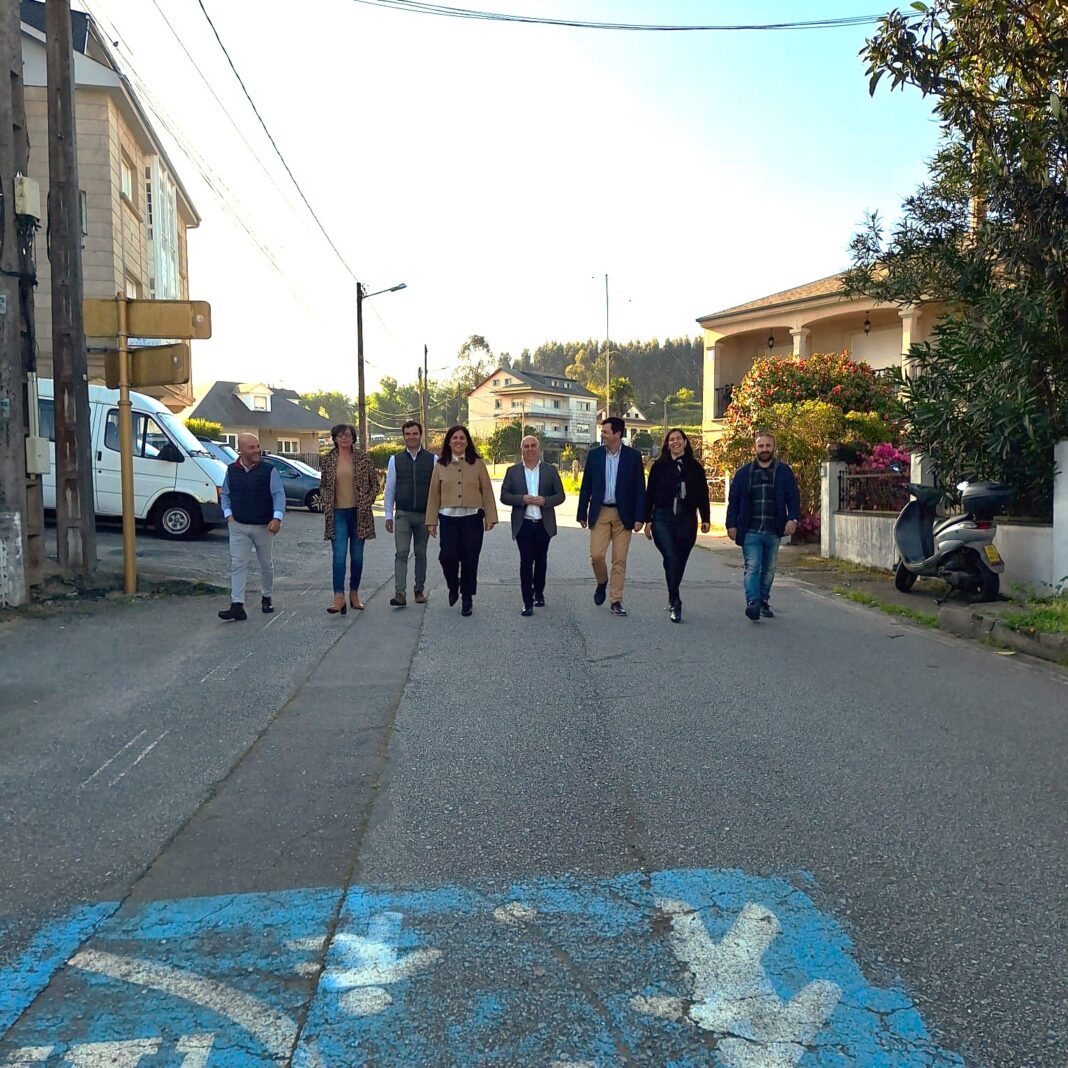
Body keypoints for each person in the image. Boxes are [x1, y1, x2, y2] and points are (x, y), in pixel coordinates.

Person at [726, 431, 800, 621]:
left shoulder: (784, 472)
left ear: (773, 448)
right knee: (753, 566)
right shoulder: (743, 474)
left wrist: (793, 519)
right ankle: (753, 602)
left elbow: (793, 497)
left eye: (768, 445)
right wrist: (731, 524)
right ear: (755, 448)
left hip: (774, 529)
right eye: (761, 446)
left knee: (769, 568)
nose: (764, 449)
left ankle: (763, 600)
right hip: (750, 529)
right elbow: (733, 501)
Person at [576, 416, 646, 617]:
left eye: (605, 432)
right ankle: (602, 581)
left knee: (619, 560)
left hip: (624, 515)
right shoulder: (594, 455)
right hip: (600, 512)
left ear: (617, 434)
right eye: (602, 432)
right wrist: (582, 512)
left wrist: (640, 517)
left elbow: (640, 489)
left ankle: (616, 600)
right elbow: (586, 486)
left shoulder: (633, 457)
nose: (602, 435)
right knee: (596, 556)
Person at [425, 425, 498, 616]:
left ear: (467, 442)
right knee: (447, 557)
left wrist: (490, 516)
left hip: (472, 518)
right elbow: (434, 494)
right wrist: (431, 521)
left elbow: (487, 491)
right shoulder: (440, 465)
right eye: (455, 438)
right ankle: (453, 585)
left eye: (462, 438)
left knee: (470, 559)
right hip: (448, 519)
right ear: (449, 442)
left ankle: (467, 598)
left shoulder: (478, 464)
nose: (458, 441)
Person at [644, 428, 711, 623]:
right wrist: (647, 519)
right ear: (667, 444)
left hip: (686, 519)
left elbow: (703, 494)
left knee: (679, 561)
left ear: (685, 442)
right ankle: (676, 601)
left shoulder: (695, 468)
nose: (675, 442)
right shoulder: (659, 467)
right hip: (662, 518)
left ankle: (672, 592)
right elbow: (650, 494)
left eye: (679, 439)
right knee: (671, 556)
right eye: (671, 439)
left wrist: (705, 518)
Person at [218, 433, 285, 621]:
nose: (257, 451)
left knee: (266, 564)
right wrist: (228, 515)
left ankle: (267, 597)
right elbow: (225, 494)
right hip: (238, 525)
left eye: (257, 446)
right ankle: (237, 605)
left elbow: (279, 494)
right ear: (241, 450)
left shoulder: (269, 470)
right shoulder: (231, 470)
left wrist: (277, 518)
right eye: (252, 447)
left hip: (264, 526)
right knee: (238, 564)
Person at [500, 435, 566, 616]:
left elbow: (560, 495)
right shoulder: (512, 471)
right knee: (526, 562)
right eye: (526, 446)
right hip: (523, 524)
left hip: (544, 524)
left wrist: (545, 501)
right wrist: (521, 499)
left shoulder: (550, 470)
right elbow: (504, 496)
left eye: (533, 446)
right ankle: (527, 602)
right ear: (522, 450)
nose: (529, 449)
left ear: (539, 449)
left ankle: (539, 593)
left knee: (541, 560)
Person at [320, 423, 378, 615]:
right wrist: (327, 499)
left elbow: (375, 484)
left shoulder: (363, 458)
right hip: (337, 513)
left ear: (353, 438)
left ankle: (354, 593)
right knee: (339, 556)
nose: (344, 438)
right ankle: (338, 596)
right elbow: (323, 485)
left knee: (357, 556)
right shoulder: (328, 459)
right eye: (340, 435)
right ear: (334, 439)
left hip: (359, 513)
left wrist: (367, 501)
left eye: (347, 435)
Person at [383, 420, 436, 607]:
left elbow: (436, 491)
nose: (411, 437)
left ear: (420, 435)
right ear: (403, 436)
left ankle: (419, 590)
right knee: (402, 552)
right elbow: (390, 489)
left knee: (421, 553)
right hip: (403, 514)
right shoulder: (395, 460)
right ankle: (400, 593)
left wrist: (435, 517)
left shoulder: (433, 459)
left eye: (415, 433)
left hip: (424, 515)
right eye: (408, 434)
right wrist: (388, 515)